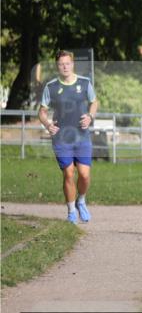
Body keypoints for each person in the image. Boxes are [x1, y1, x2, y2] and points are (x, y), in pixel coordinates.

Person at [38, 51, 98, 224]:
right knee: (69, 174)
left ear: (72, 64)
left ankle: (81, 201)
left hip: (82, 136)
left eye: (67, 63)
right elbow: (41, 112)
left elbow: (94, 102)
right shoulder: (51, 87)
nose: (65, 66)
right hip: (61, 138)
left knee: (84, 175)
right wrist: (48, 125)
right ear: (57, 66)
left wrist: (90, 116)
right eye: (61, 64)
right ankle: (71, 211)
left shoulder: (85, 83)